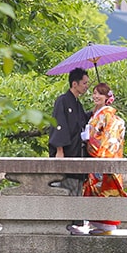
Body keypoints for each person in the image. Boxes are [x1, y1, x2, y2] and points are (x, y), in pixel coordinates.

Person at [76, 82, 126, 235]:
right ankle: (99, 225)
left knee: (101, 191)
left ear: (107, 98)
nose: (96, 96)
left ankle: (106, 226)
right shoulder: (98, 114)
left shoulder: (107, 114)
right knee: (94, 190)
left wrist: (88, 139)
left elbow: (107, 138)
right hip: (95, 157)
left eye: (100, 94)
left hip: (102, 156)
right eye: (94, 93)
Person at [50, 67, 90, 232]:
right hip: (67, 152)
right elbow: (59, 125)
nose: (87, 86)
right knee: (67, 187)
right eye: (84, 83)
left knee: (76, 188)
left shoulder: (77, 103)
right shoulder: (63, 101)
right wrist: (59, 150)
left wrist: (100, 108)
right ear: (75, 84)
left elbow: (81, 122)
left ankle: (74, 223)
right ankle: (66, 223)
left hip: (77, 152)